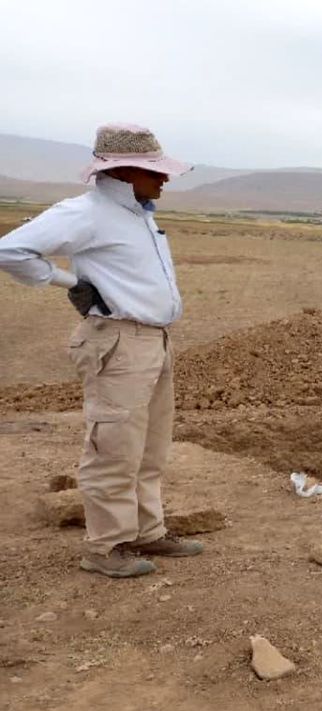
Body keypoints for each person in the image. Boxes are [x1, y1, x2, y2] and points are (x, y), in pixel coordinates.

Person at [0, 123, 200, 578]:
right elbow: (10, 250)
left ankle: (148, 532)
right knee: (113, 447)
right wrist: (71, 282)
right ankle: (105, 547)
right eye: (154, 170)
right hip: (119, 342)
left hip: (155, 340)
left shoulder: (138, 214)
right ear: (123, 171)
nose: (163, 179)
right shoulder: (86, 212)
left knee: (149, 447)